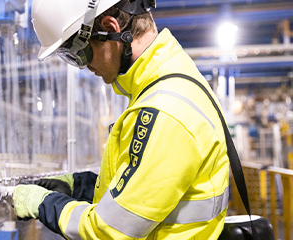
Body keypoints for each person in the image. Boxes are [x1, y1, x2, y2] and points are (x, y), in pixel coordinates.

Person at [12, 0, 230, 239]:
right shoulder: (168, 83)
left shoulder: (164, 110)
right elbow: (150, 191)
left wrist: (45, 204)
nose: (83, 67)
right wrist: (81, 186)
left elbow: (109, 231)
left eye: (78, 53)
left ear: (111, 28)